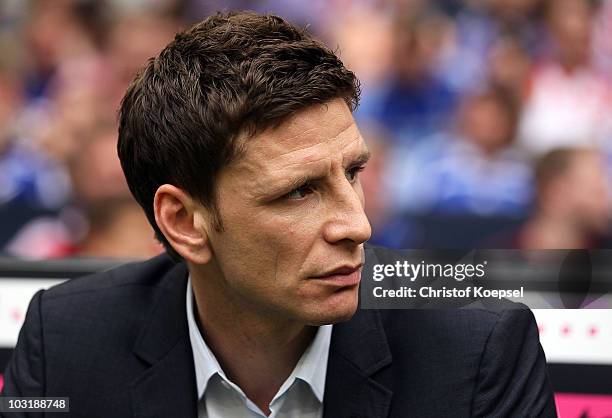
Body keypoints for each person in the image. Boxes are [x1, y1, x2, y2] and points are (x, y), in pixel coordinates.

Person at [2, 11, 557, 417]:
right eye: (298, 192)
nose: (357, 226)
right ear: (184, 221)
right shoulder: (67, 344)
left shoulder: (478, 348)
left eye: (353, 173)